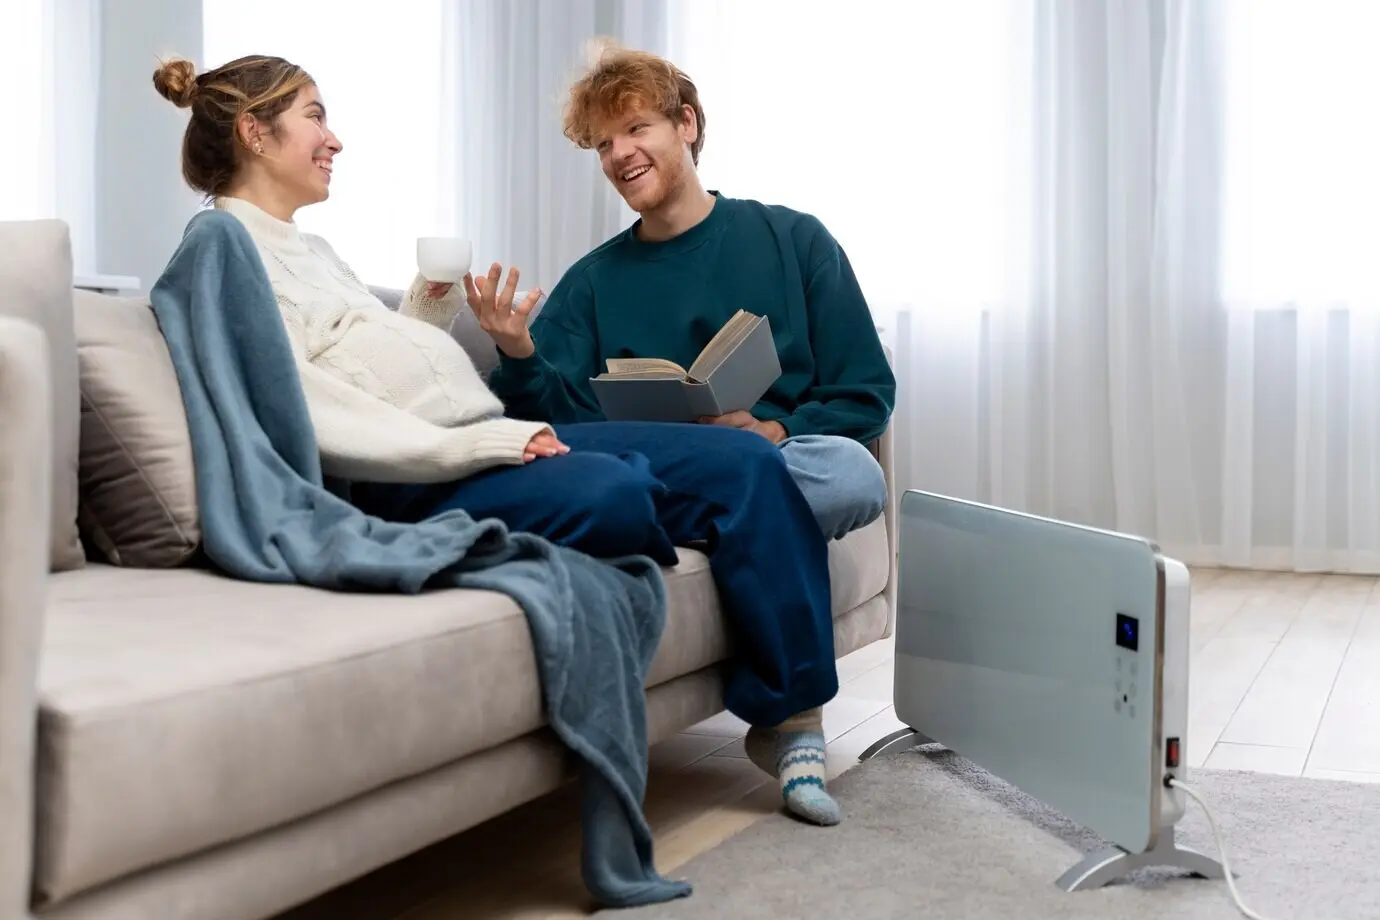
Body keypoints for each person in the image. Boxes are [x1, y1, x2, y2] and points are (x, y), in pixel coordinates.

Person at [152, 53, 845, 826]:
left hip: (478, 442)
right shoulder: (221, 246)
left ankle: (789, 717)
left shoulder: (309, 251)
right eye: (315, 115)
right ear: (255, 132)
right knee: (616, 493)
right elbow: (310, 407)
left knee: (748, 460)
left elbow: (374, 368)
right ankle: (659, 507)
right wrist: (483, 447)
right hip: (418, 476)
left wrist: (429, 306)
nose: (334, 138)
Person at [484, 41, 896, 544]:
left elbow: (865, 393)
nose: (619, 154)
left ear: (686, 124)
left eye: (636, 128)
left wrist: (775, 431)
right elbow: (547, 429)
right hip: (654, 469)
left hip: (772, 459)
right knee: (596, 482)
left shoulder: (797, 240)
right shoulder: (589, 283)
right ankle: (722, 518)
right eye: (604, 144)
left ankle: (674, 522)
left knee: (851, 474)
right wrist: (518, 354)